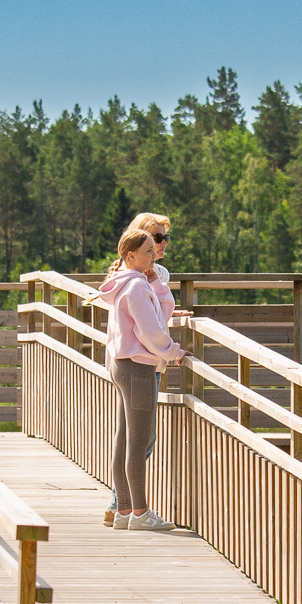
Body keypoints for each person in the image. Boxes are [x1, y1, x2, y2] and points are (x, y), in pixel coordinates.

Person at [96, 227, 188, 532]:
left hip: (122, 364)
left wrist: (156, 283)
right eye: (148, 251)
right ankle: (140, 512)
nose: (154, 255)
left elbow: (162, 310)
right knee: (136, 443)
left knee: (124, 439)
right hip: (138, 367)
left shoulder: (127, 282)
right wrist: (172, 351)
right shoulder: (135, 287)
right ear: (130, 255)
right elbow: (151, 331)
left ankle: (123, 509)